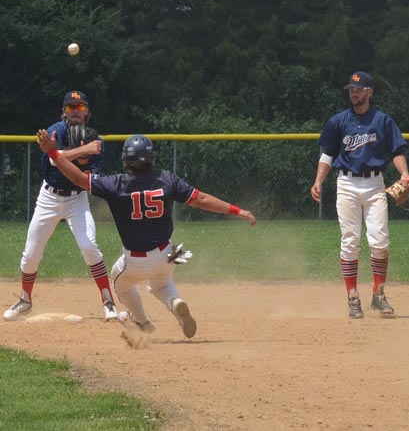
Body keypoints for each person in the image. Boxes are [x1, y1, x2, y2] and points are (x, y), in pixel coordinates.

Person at [36, 131, 257, 338]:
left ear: (126, 160)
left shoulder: (116, 184)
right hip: (168, 253)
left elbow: (79, 179)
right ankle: (174, 301)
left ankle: (142, 322)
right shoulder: (168, 179)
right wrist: (237, 210)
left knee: (119, 282)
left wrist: (53, 152)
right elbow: (202, 199)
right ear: (151, 157)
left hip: (136, 261)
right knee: (160, 283)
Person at [3, 91, 118, 322]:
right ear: (63, 112)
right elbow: (54, 160)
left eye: (80, 107)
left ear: (88, 112)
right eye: (70, 107)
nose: (75, 111)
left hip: (76, 199)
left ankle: (108, 302)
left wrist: (66, 153)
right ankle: (25, 301)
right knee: (30, 254)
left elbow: (85, 178)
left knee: (89, 247)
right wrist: (84, 151)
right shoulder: (57, 130)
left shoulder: (97, 139)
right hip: (48, 198)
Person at [310, 71, 409, 319]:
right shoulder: (338, 121)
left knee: (379, 241)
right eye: (351, 89)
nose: (353, 93)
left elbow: (397, 151)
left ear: (370, 92)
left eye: (358, 89)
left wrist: (405, 175)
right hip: (346, 184)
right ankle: (353, 298)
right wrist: (318, 180)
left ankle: (378, 296)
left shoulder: (383, 121)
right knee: (350, 241)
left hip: (375, 184)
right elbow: (327, 154)